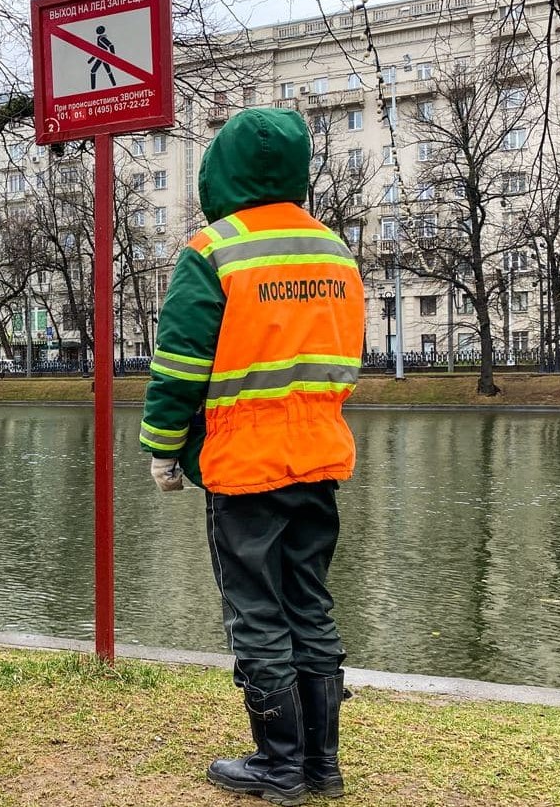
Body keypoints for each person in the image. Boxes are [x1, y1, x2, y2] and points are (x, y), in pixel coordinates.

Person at [140, 108, 365, 805]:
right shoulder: (334, 249)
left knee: (257, 611)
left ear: (221, 170)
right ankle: (321, 765)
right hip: (319, 456)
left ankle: (277, 763)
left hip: (243, 462)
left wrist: (162, 448)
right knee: (310, 603)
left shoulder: (214, 249)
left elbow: (179, 364)